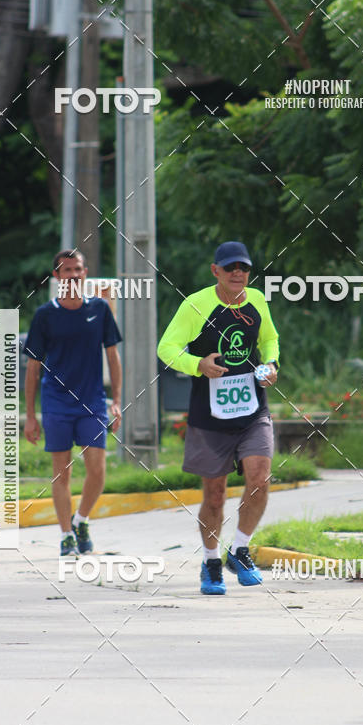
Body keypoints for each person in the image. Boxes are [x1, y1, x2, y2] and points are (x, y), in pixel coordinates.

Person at [158, 240, 279, 595]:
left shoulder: (256, 299)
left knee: (260, 478)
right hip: (209, 412)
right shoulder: (195, 305)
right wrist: (198, 365)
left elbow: (270, 340)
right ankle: (211, 561)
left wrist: (271, 363)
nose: (238, 274)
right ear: (216, 272)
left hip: (253, 407)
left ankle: (240, 550)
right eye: (230, 268)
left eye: (243, 268)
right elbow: (166, 348)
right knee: (214, 495)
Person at [23, 250, 122, 557]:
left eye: (78, 269)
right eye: (67, 270)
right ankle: (66, 535)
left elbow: (113, 356)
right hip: (56, 402)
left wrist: (117, 400)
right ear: (56, 276)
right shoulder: (45, 315)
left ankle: (81, 520)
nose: (74, 274)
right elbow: (33, 368)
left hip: (92, 401)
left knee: (97, 470)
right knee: (61, 473)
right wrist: (30, 415)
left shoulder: (100, 309)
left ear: (85, 271)